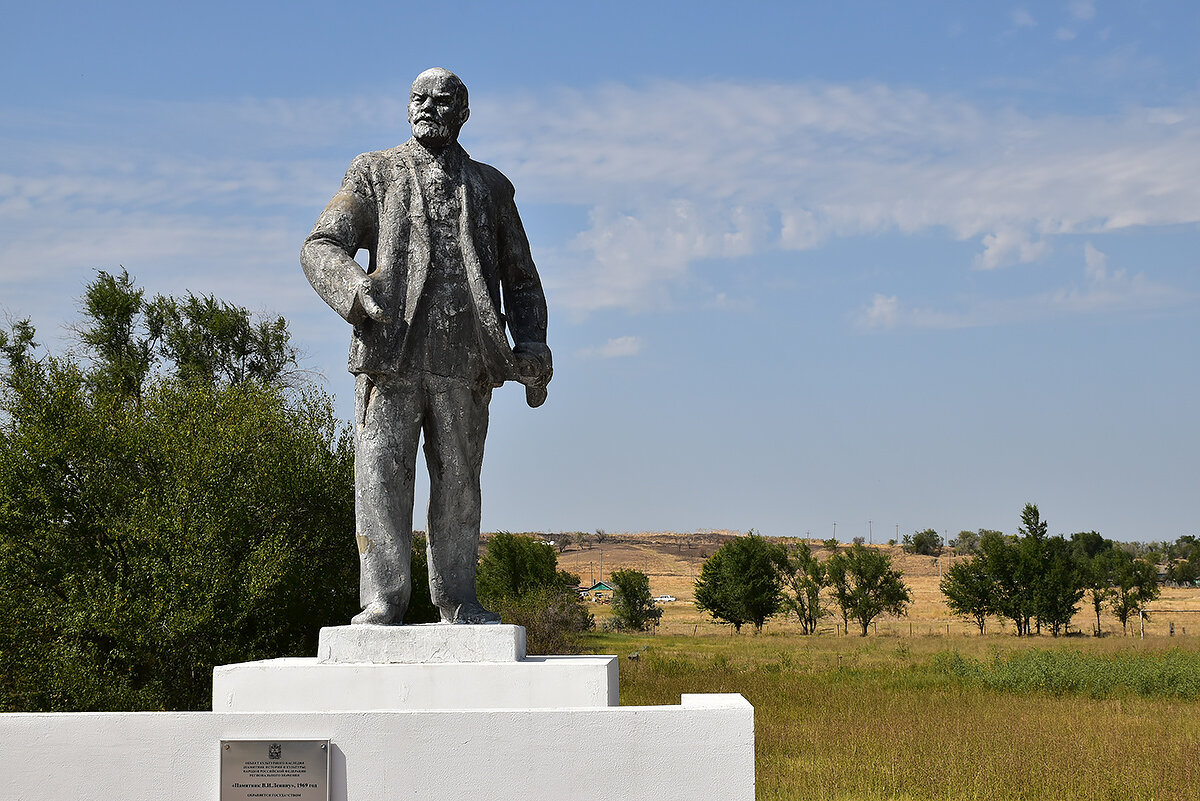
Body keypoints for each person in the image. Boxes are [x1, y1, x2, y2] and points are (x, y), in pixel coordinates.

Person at [301, 68, 552, 625]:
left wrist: (532, 342)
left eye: (442, 102)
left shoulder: (491, 186)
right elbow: (321, 246)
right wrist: (353, 291)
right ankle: (384, 599)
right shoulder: (375, 173)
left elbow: (522, 277)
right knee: (381, 480)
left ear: (463, 113)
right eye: (419, 99)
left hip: (466, 361)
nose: (429, 109)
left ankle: (458, 599)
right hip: (390, 357)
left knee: (460, 485)